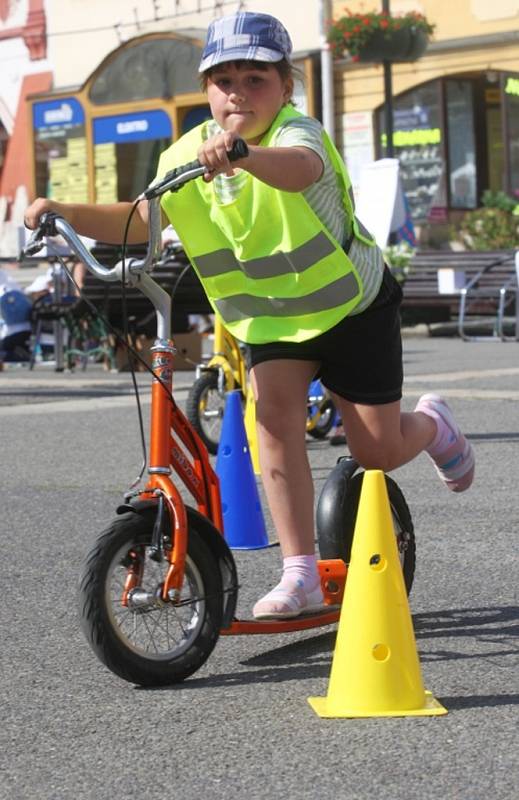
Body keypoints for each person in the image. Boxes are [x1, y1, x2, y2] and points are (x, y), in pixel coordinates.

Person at [24, 12, 475, 620]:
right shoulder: (186, 154)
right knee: (275, 432)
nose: (239, 91)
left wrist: (243, 155)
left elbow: (299, 171)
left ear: (285, 86)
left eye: (256, 77)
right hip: (270, 322)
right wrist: (64, 212)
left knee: (376, 452)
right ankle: (299, 573)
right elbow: (139, 216)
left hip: (351, 307)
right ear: (207, 90)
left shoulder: (297, 133)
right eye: (224, 79)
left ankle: (433, 426)